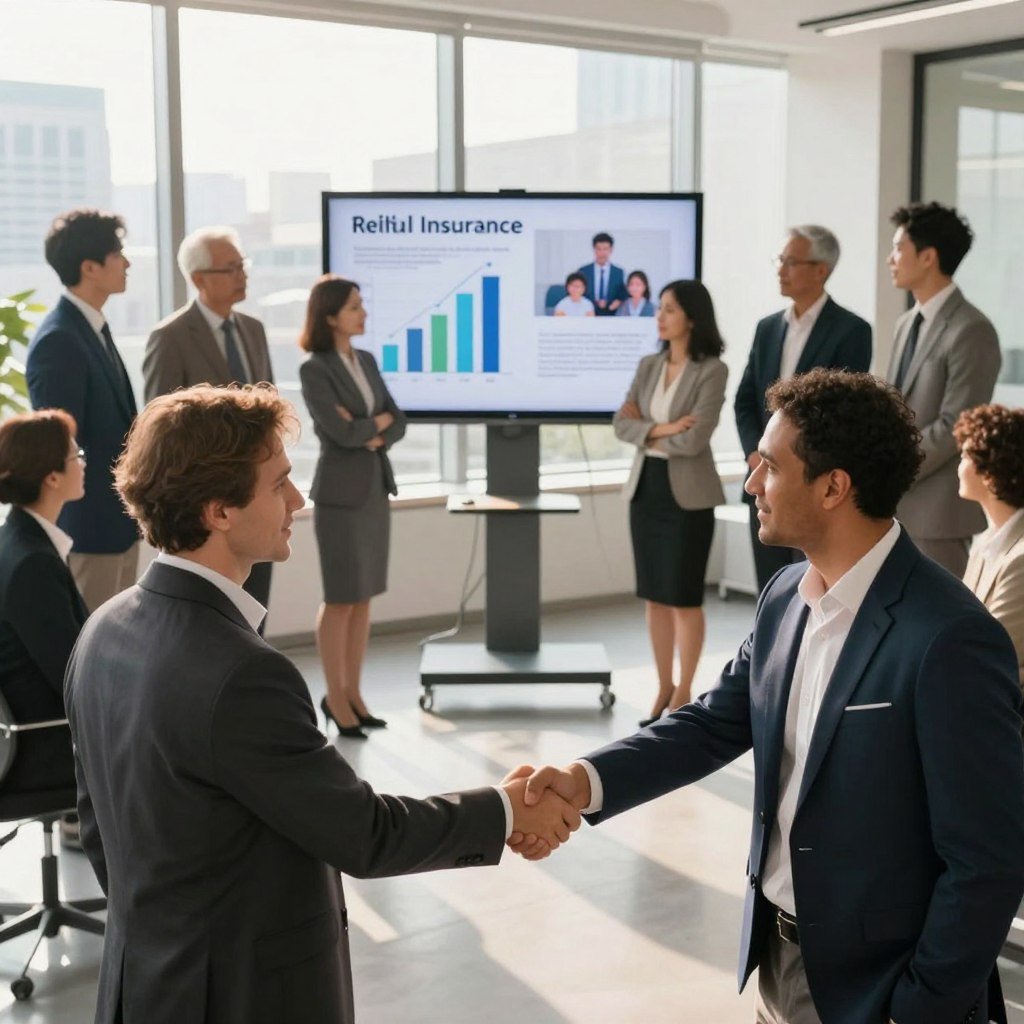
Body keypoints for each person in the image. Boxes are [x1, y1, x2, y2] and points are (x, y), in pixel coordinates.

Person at [515, 369, 1024, 1024]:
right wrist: (582, 781)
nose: (751, 483)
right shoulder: (785, 596)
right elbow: (713, 723)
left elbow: (988, 859)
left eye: (769, 467)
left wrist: (915, 1010)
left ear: (834, 487)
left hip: (880, 990)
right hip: (775, 962)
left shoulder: (949, 638)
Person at [64, 383, 580, 1024]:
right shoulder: (244, 674)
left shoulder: (101, 631)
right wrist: (507, 811)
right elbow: (364, 835)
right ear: (219, 510)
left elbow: (99, 830)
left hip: (140, 985)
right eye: (278, 483)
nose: (298, 499)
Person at [613, 280, 728, 725]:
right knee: (654, 597)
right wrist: (663, 429)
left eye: (669, 310)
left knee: (683, 596)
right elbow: (620, 426)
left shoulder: (712, 370)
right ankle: (662, 685)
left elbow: (696, 439)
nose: (659, 317)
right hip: (646, 490)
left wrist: (648, 429)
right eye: (659, 309)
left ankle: (684, 690)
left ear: (692, 318)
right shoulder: (648, 365)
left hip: (688, 496)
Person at [143, 225, 275, 610]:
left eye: (242, 265)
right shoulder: (170, 336)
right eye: (231, 268)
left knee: (256, 602)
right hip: (207, 499)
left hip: (259, 488)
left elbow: (269, 406)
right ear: (198, 279)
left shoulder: (254, 329)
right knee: (213, 608)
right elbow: (161, 426)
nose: (242, 275)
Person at [734, 225, 871, 593]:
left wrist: (794, 462)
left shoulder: (851, 330)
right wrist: (756, 455)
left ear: (821, 270)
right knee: (771, 586)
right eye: (780, 260)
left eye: (791, 262)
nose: (781, 269)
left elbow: (841, 414)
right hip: (764, 478)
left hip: (810, 483)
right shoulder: (767, 328)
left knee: (813, 584)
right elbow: (745, 399)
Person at [299, 276, 405, 738]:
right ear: (329, 316)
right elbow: (338, 434)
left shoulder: (365, 360)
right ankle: (334, 697)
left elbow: (397, 419)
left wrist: (369, 423)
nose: (363, 313)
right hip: (339, 496)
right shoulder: (314, 369)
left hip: (374, 491)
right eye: (355, 307)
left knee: (363, 598)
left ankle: (355, 695)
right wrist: (368, 426)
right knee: (341, 597)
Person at [26, 209, 138, 612]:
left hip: (117, 524)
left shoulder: (92, 328)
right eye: (117, 254)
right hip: (90, 528)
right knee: (88, 653)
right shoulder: (60, 339)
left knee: (114, 649)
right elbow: (61, 446)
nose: (127, 263)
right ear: (89, 267)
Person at [885, 201, 1001, 577]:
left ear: (928, 257)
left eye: (899, 248)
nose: (891, 258)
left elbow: (956, 423)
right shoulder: (906, 323)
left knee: (941, 628)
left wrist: (895, 466)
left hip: (939, 516)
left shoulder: (971, 329)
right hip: (894, 507)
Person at [0, 410, 86, 796]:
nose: (83, 463)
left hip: (29, 730)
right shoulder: (33, 562)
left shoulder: (16, 538)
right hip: (39, 745)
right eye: (76, 456)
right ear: (52, 477)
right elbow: (72, 677)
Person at [955, 403, 1024, 684]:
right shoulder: (985, 543)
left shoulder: (1019, 558)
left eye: (964, 456)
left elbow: (993, 648)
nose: (958, 467)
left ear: (990, 474)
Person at [578, 231, 627, 316]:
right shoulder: (583, 271)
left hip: (611, 315)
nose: (602, 253)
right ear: (594, 249)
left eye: (605, 249)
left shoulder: (618, 272)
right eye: (598, 249)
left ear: (611, 250)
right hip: (588, 315)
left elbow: (622, 294)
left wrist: (618, 301)